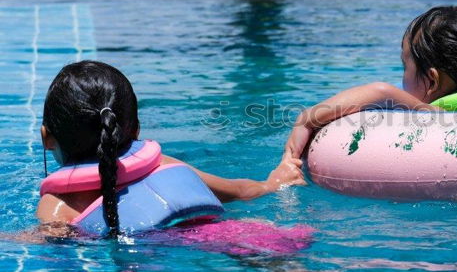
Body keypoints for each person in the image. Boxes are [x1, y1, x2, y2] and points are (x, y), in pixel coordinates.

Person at [37, 60, 305, 237]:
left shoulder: (58, 205)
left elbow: (48, 243)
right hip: (243, 235)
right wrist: (274, 182)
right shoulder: (164, 165)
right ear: (135, 129)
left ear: (46, 137)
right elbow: (242, 191)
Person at [284, 5, 457, 159]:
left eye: (406, 66)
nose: (402, 75)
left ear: (432, 81)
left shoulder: (440, 118)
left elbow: (380, 91)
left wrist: (305, 120)